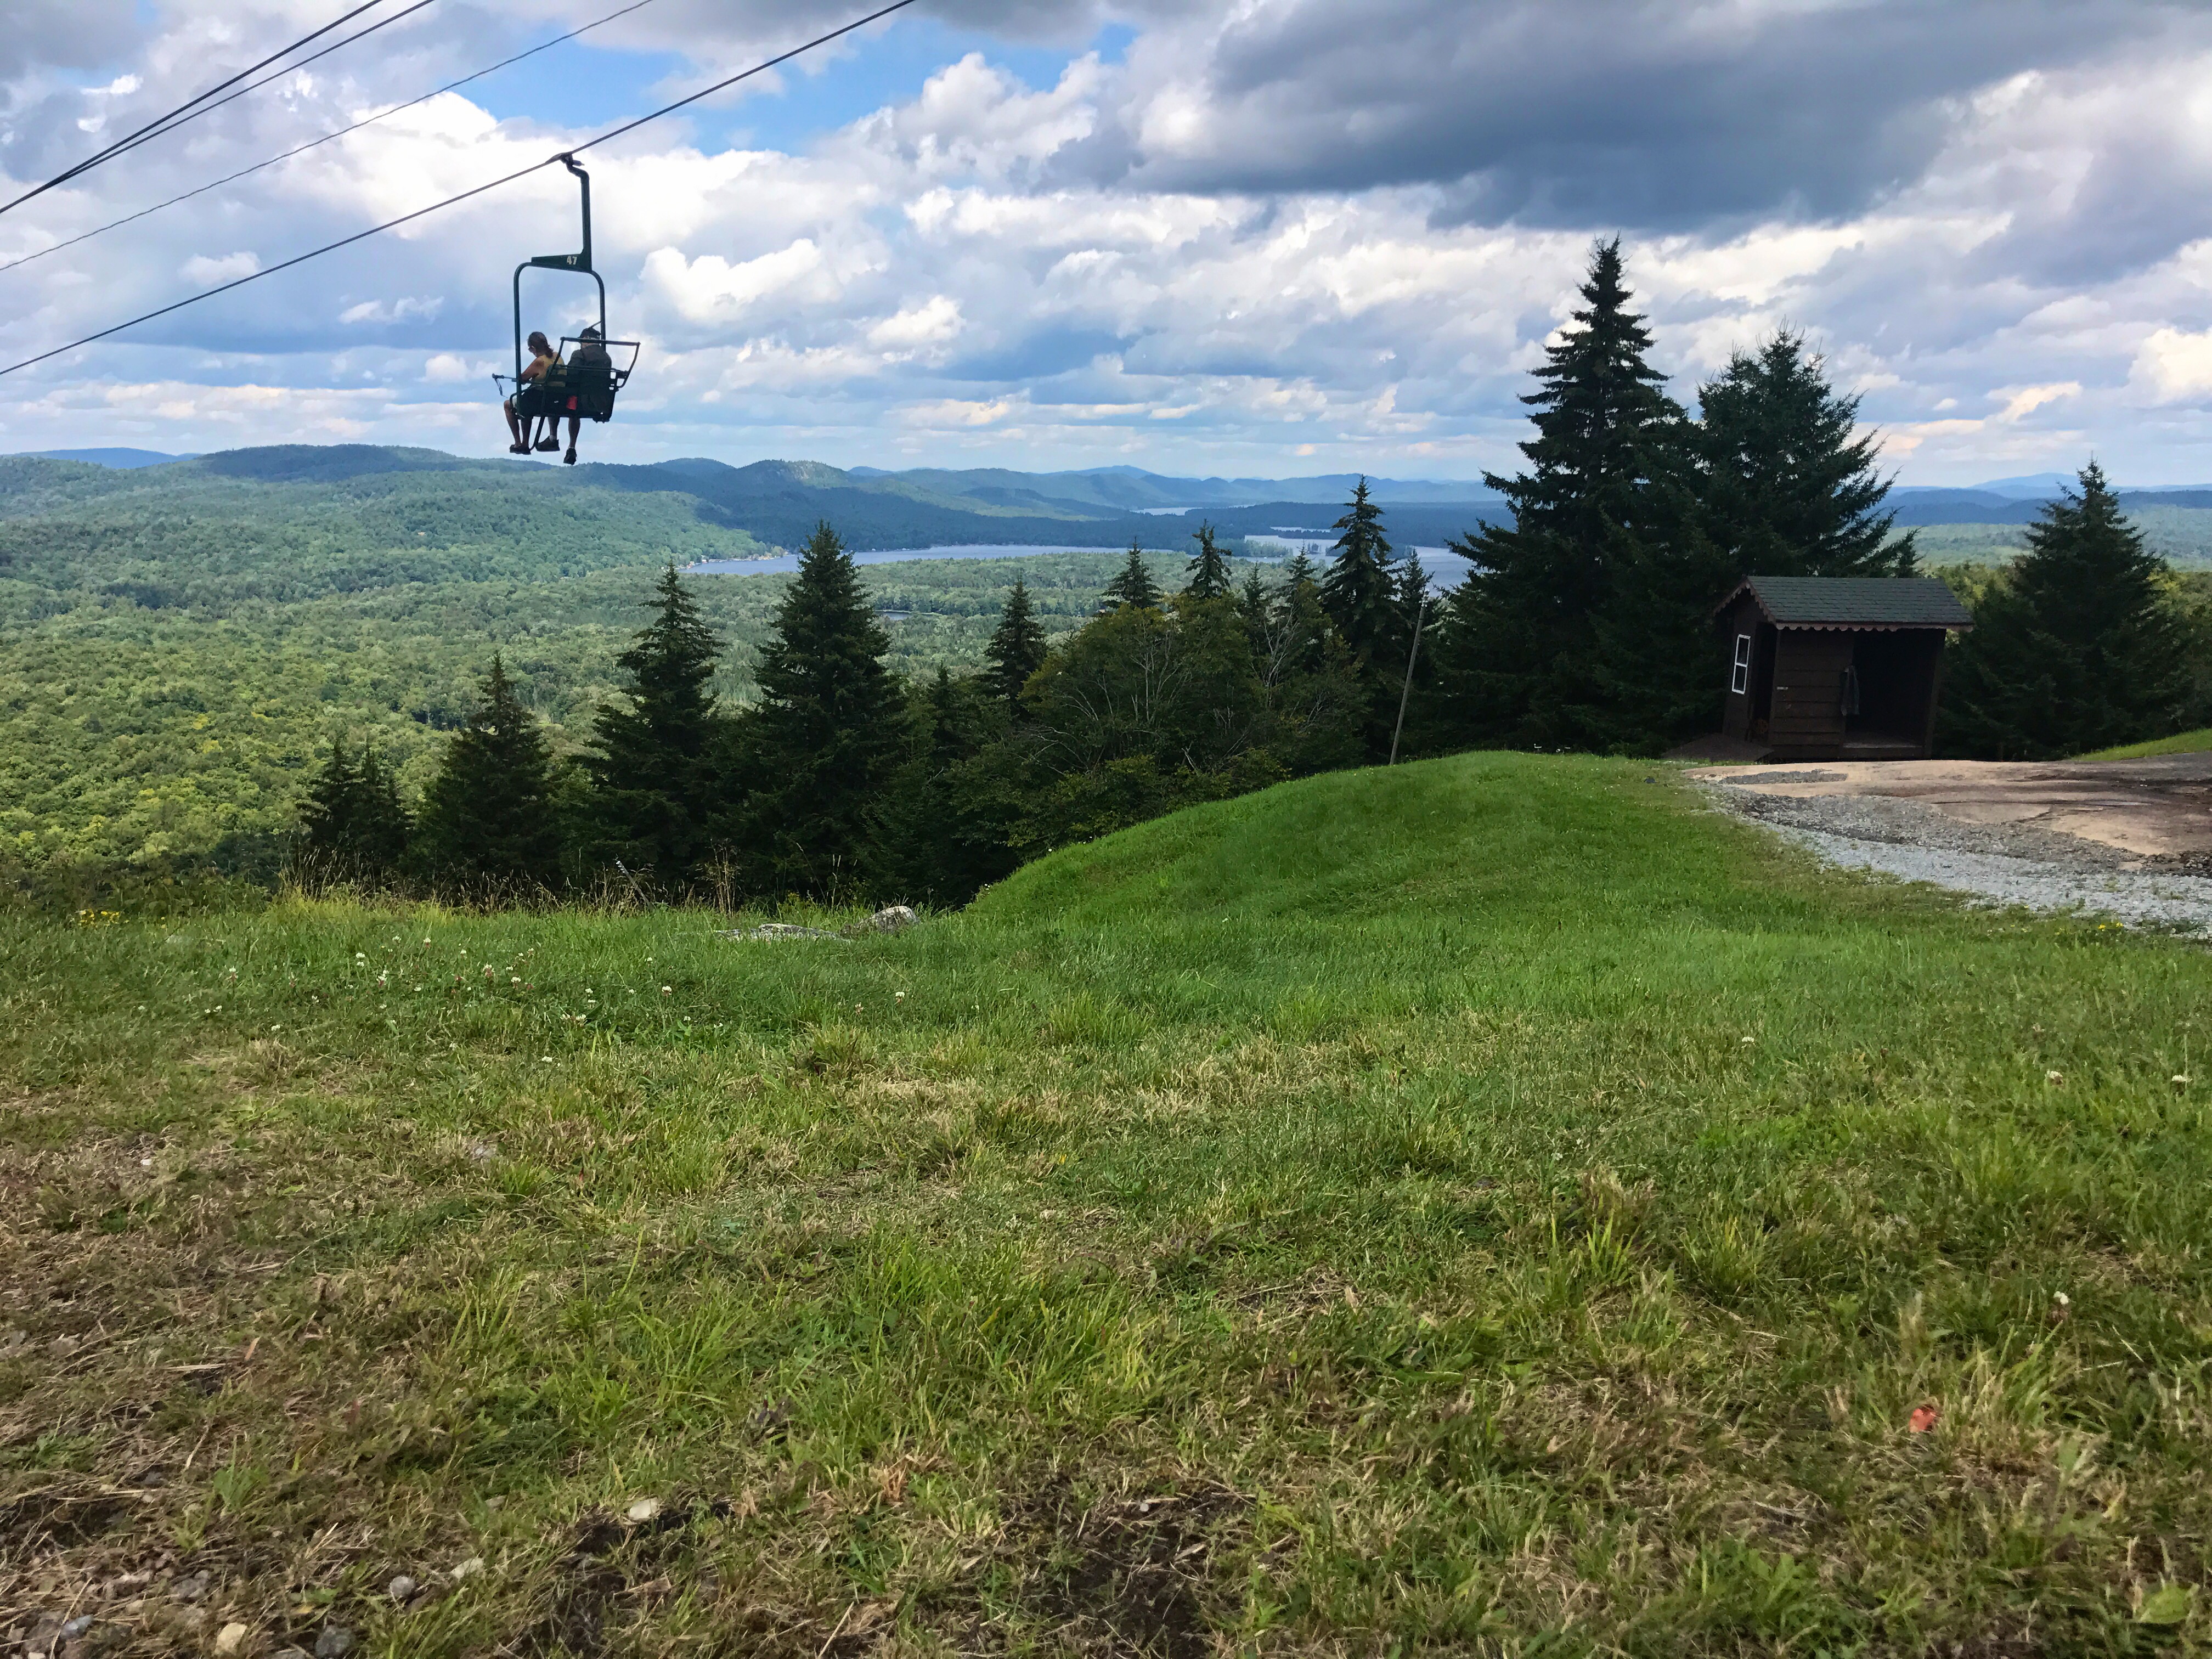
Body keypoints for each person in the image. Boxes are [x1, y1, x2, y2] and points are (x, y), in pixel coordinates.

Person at [560, 324, 612, 465]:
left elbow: (571, 375)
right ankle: (571, 446)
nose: (581, 345)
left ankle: (553, 438)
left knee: (553, 398)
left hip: (581, 402)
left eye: (582, 342)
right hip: (601, 403)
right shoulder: (606, 358)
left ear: (586, 339)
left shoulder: (579, 354)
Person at [503, 331, 560, 455]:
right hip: (557, 401)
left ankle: (520, 443)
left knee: (510, 405)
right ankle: (529, 442)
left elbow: (523, 378)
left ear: (533, 348)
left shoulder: (540, 361)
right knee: (527, 401)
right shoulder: (558, 357)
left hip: (540, 402)